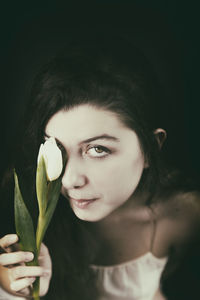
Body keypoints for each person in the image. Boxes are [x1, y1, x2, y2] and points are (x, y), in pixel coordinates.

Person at [0, 37, 200, 300]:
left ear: (152, 146)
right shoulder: (17, 210)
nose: (69, 179)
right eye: (56, 149)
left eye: (98, 149)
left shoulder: (185, 214)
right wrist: (15, 292)